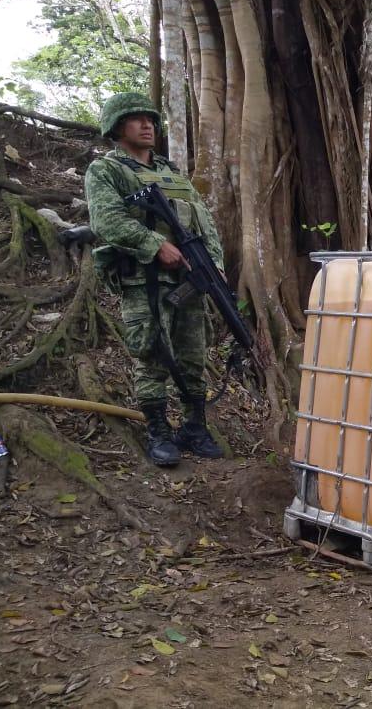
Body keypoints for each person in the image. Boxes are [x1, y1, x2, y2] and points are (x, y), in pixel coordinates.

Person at [85, 92, 226, 466]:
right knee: (151, 355)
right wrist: (154, 244)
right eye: (136, 119)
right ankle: (159, 431)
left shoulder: (171, 171)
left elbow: (202, 220)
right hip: (145, 280)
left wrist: (215, 264)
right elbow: (107, 220)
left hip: (191, 279)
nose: (147, 124)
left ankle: (194, 426)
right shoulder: (108, 170)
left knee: (193, 353)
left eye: (150, 118)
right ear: (117, 127)